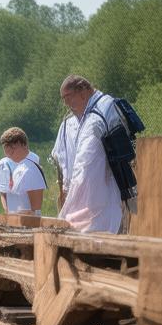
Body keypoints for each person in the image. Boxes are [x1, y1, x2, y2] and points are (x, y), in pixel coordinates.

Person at [54, 75, 124, 233]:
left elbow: (85, 165)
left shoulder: (99, 114)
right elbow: (63, 162)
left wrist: (71, 205)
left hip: (102, 192)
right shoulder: (70, 124)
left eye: (68, 97)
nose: (66, 103)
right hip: (90, 193)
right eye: (63, 99)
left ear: (83, 92)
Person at [0, 127, 47, 215]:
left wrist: (17, 215)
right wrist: (9, 214)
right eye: (7, 153)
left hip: (27, 224)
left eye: (12, 152)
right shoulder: (16, 165)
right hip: (15, 221)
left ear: (23, 144)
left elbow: (36, 210)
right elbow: (4, 194)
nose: (9, 156)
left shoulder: (31, 169)